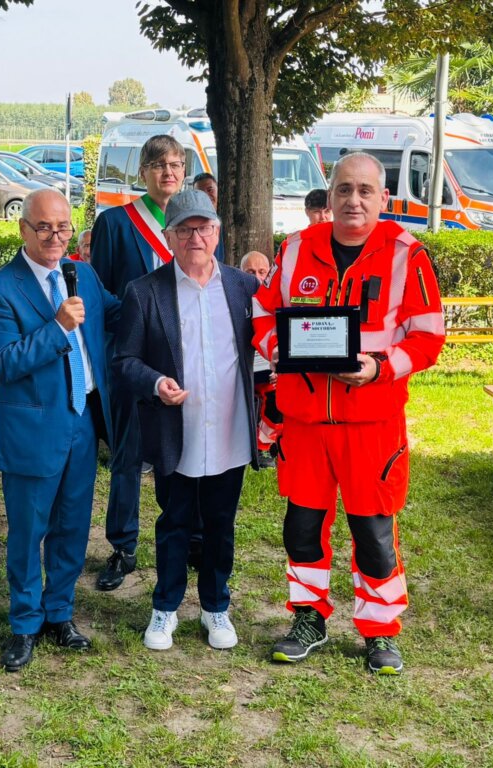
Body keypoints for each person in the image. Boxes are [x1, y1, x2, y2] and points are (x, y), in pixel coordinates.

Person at [253, 152, 445, 675]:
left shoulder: (407, 254)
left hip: (372, 424)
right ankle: (308, 618)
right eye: (343, 189)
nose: (353, 200)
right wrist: (279, 350)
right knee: (302, 527)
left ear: (383, 198)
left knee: (374, 533)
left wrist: (379, 368)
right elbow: (263, 312)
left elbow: (429, 338)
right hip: (305, 423)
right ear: (330, 194)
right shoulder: (296, 248)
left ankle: (379, 630)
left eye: (365, 191)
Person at [0, 189, 121, 671]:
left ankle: (60, 613)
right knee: (28, 532)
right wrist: (57, 328)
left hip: (82, 422)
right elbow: (3, 363)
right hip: (32, 430)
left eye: (62, 227)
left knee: (73, 526)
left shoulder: (84, 274)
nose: (55, 237)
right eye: (44, 227)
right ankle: (24, 624)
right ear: (23, 229)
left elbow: (118, 313)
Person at [115, 188, 258, 651]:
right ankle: (165, 607)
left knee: (220, 522)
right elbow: (124, 361)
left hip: (229, 426)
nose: (195, 237)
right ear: (168, 236)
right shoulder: (144, 291)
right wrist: (157, 382)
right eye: (184, 229)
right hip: (176, 428)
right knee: (174, 521)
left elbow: (263, 349)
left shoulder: (243, 287)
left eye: (203, 228)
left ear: (217, 232)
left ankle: (216, 607)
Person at [92, 135, 223, 591]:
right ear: (142, 172)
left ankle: (195, 538)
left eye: (176, 164)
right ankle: (122, 545)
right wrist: (137, 326)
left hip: (191, 356)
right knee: (128, 454)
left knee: (194, 447)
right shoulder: (116, 223)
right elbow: (101, 290)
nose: (168, 172)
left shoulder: (200, 222)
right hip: (133, 357)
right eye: (159, 164)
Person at [240, 251, 280, 466]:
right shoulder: (230, 298)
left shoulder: (278, 299)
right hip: (239, 369)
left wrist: (279, 369)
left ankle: (264, 445)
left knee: (280, 390)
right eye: (250, 272)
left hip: (268, 368)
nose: (256, 277)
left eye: (262, 272)